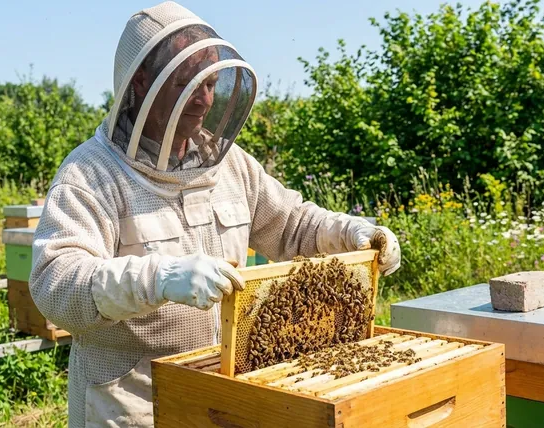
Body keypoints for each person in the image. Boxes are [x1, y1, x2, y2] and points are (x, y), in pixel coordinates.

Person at [28, 2, 402, 427]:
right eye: (188, 84)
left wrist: (351, 232)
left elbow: (291, 225)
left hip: (221, 396)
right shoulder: (91, 175)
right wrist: (160, 278)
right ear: (141, 82)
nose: (204, 99)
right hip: (130, 406)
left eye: (210, 82)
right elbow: (54, 283)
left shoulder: (229, 164)